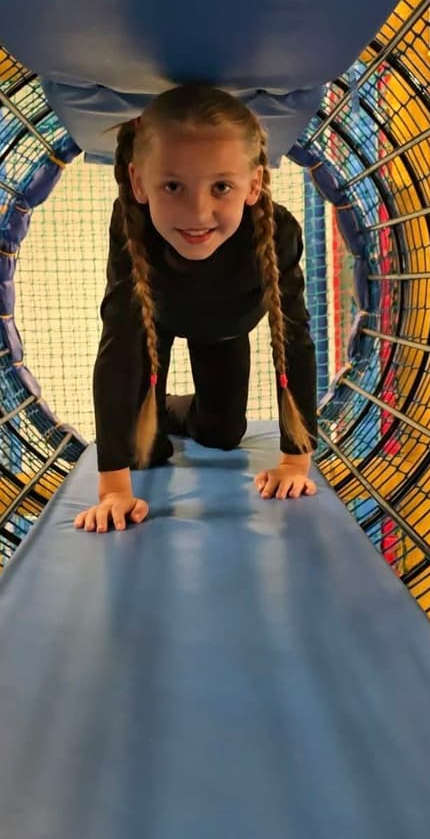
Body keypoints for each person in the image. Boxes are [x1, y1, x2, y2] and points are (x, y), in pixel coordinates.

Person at [74, 83, 318, 533]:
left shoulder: (277, 231)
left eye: (221, 186)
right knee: (142, 454)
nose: (198, 211)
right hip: (156, 324)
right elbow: (120, 339)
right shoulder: (132, 225)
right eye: (172, 186)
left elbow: (295, 337)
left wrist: (295, 462)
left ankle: (167, 408)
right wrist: (113, 490)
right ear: (138, 182)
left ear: (253, 184)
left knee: (223, 436)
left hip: (225, 330)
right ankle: (153, 409)